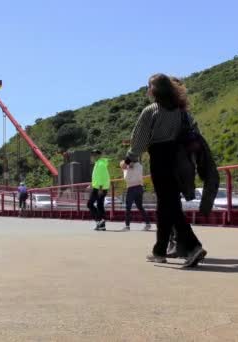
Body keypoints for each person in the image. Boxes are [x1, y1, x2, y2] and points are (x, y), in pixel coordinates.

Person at [125, 73, 207, 267]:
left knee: (169, 205)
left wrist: (130, 158)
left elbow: (139, 139)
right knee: (166, 205)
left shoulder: (152, 110)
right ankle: (159, 250)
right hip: (178, 159)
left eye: (148, 86)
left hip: (160, 158)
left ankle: (193, 246)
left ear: (155, 90)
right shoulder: (181, 112)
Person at [119, 160, 151, 231]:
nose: (123, 168)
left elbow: (127, 179)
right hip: (140, 187)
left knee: (128, 208)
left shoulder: (127, 170)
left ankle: (127, 226)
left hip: (131, 188)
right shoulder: (139, 166)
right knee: (140, 206)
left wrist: (127, 169)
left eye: (122, 166)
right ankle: (148, 224)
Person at [87, 149, 110, 231]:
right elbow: (97, 176)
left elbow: (101, 177)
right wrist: (91, 184)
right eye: (92, 155)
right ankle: (102, 225)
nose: (92, 156)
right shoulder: (99, 163)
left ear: (98, 156)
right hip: (100, 187)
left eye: (94, 155)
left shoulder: (100, 164)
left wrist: (100, 188)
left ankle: (100, 219)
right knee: (100, 205)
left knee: (90, 204)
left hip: (99, 188)